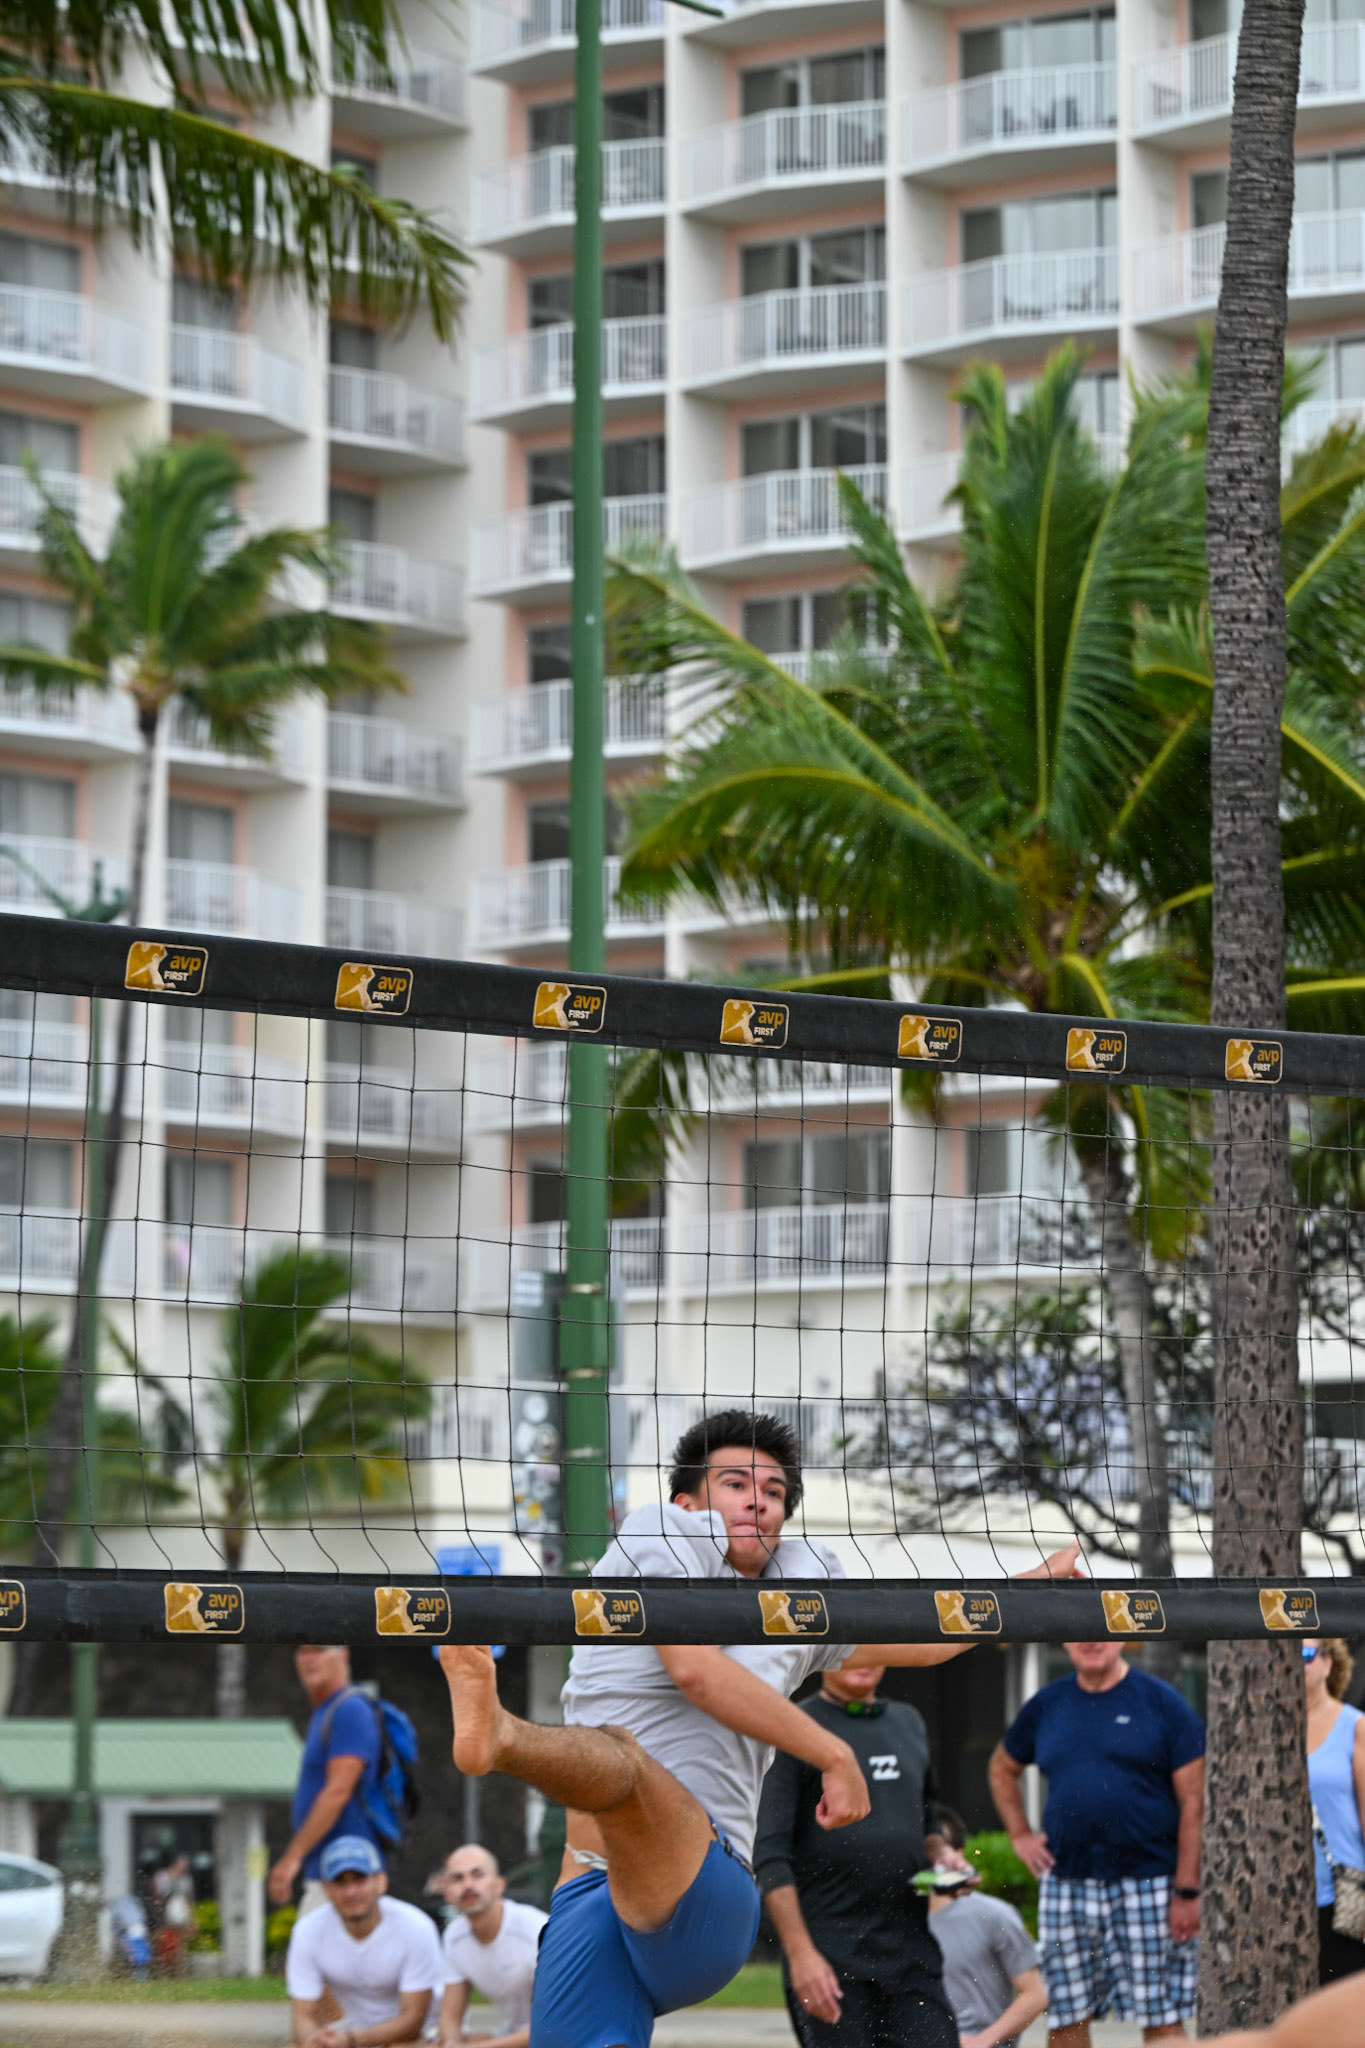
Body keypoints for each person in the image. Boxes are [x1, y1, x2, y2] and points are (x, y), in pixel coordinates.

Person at [438, 1406, 1082, 2048]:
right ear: (688, 1501)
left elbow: (929, 1636)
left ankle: (502, 1736)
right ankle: (498, 1735)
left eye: (774, 1493)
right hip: (587, 1893)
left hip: (704, 1896)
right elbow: (694, 1669)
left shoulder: (796, 1602)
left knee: (625, 1760)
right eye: (737, 1485)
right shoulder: (663, 1534)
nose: (759, 1503)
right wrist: (833, 1752)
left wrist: (1033, 1583)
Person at [988, 1640, 1205, 2048]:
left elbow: (1195, 1801)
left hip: (1151, 1883)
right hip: (1067, 1882)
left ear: (1121, 1636)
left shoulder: (1162, 1702)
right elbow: (1002, 1767)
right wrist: (1019, 1833)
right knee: (1066, 2015)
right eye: (1080, 1632)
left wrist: (1188, 1889)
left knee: (1161, 2014)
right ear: (1065, 1641)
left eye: (1101, 1631)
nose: (1091, 1642)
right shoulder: (1047, 1704)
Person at [753, 1655, 967, 2047]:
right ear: (825, 1654)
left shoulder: (908, 1722)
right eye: (850, 1647)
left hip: (911, 1953)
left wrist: (943, 1859)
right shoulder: (795, 1727)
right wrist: (801, 1956)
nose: (863, 1658)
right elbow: (769, 1856)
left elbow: (927, 1822)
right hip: (832, 1960)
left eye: (872, 1646)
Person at [286, 1834, 444, 2048]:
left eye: (360, 1879)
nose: (350, 1892)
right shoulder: (307, 1930)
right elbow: (303, 2014)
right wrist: (312, 2042)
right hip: (350, 2035)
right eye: (339, 1882)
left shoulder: (416, 1927)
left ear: (381, 1882)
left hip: (416, 2038)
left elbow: (413, 2021)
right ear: (326, 1889)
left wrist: (352, 2041)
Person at [271, 1645, 385, 1916]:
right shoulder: (327, 1710)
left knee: (311, 1956)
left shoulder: (350, 1709)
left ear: (343, 1655)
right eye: (302, 1651)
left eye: (319, 1649)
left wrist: (291, 1858)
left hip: (349, 1879)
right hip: (330, 1876)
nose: (309, 1658)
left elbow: (338, 1791)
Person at [924, 1811, 1046, 2048]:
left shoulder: (993, 1915)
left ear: (957, 1854)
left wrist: (982, 2041)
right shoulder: (893, 1922)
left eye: (936, 1853)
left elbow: (1036, 1993)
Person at [437, 1842, 547, 2048]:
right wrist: (451, 2043)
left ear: (499, 1885)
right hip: (514, 2033)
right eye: (457, 1878)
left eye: (477, 1874)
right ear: (447, 1893)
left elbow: (556, 2026)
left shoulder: (536, 1930)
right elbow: (450, 2018)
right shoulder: (454, 1936)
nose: (468, 1884)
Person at [1303, 1635, 1365, 1984]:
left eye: (1307, 1653)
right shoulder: (1265, 1729)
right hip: (1281, 1899)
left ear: (1329, 1662)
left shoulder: (1355, 1727)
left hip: (1342, 1897)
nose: (1298, 1662)